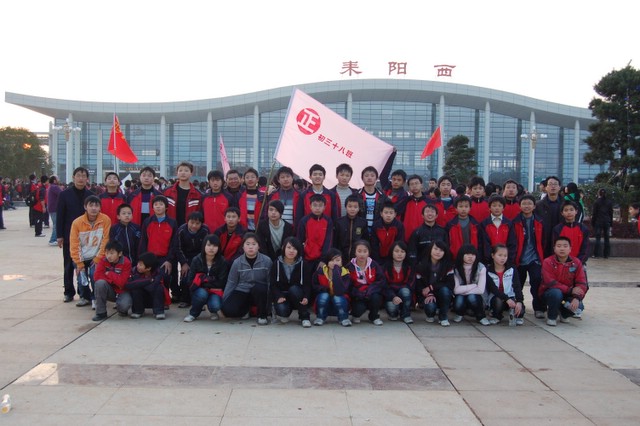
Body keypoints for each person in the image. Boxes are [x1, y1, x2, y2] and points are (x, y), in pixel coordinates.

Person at [57, 167, 94, 303]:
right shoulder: (64, 195)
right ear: (73, 178)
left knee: (83, 265)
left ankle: (83, 293)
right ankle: (68, 292)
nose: (81, 178)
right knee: (68, 265)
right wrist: (59, 235)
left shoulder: (91, 195)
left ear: (87, 179)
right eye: (78, 176)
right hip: (69, 236)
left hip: (87, 236)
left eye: (83, 176)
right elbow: (60, 216)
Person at [69, 195, 111, 308]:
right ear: (85, 207)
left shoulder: (105, 220)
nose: (93, 208)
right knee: (81, 275)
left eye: (96, 206)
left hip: (97, 256)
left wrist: (98, 258)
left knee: (94, 275)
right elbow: (74, 244)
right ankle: (84, 297)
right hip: (82, 256)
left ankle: (96, 298)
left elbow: (105, 240)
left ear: (100, 207)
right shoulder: (77, 223)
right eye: (91, 205)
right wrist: (79, 262)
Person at [222, 233, 273, 325]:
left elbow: (270, 282)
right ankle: (246, 310)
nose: (250, 247)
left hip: (260, 291)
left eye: (254, 244)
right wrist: (225, 300)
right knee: (228, 310)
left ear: (259, 246)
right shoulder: (237, 262)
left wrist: (270, 304)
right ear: (243, 247)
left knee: (260, 288)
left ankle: (262, 315)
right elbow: (231, 282)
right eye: (247, 244)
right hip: (243, 290)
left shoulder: (267, 261)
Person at [539, 236, 588, 326]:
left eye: (565, 246)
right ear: (554, 248)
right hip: (550, 293)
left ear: (570, 249)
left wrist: (577, 298)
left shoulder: (576, 262)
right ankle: (552, 317)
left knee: (579, 307)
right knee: (556, 294)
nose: (562, 249)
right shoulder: (548, 262)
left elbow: (582, 283)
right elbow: (550, 282)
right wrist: (570, 290)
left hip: (567, 295)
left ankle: (564, 313)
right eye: (559, 246)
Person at [139, 195, 177, 305]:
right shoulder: (147, 222)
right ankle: (150, 301)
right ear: (152, 207)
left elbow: (174, 243)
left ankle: (164, 301)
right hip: (150, 257)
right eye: (156, 205)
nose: (158, 207)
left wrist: (169, 260)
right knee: (149, 279)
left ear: (166, 207)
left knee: (165, 277)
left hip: (165, 258)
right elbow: (143, 241)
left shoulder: (172, 222)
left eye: (161, 204)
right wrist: (143, 259)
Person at [512, 194, 545, 319]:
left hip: (535, 259)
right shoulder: (515, 222)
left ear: (534, 206)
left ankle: (539, 308)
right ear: (519, 206)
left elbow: (544, 241)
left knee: (536, 282)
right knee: (518, 284)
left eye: (529, 203)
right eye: (524, 204)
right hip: (519, 259)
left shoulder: (540, 221)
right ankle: (519, 307)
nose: (527, 206)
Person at [183, 234, 229, 322]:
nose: (211, 248)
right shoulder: (196, 260)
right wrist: (209, 282)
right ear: (204, 246)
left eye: (215, 246)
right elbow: (190, 280)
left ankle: (213, 311)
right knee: (202, 294)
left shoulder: (222, 261)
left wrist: (204, 281)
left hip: (214, 291)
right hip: (199, 290)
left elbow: (222, 282)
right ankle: (193, 313)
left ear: (219, 248)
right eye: (209, 245)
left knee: (216, 305)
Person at [271, 237, 312, 327]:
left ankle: (304, 317)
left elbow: (307, 284)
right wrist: (278, 296)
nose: (291, 251)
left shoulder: (303, 264)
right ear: (283, 248)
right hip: (283, 295)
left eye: (294, 248)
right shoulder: (276, 263)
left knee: (294, 289)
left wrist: (306, 296)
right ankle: (284, 313)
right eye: (289, 247)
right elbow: (273, 284)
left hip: (297, 294)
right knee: (282, 310)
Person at [415, 240, 455, 326]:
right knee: (430, 308)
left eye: (441, 250)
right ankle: (431, 313)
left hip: (442, 294)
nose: (438, 252)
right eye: (435, 249)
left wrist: (431, 287)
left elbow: (450, 284)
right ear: (430, 249)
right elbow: (418, 285)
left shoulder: (448, 266)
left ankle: (443, 316)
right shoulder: (421, 265)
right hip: (427, 295)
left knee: (445, 290)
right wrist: (428, 293)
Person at [347, 240, 386, 325]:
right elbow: (347, 285)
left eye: (365, 251)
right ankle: (355, 315)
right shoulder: (349, 266)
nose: (362, 254)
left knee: (376, 297)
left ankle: (374, 316)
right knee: (358, 309)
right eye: (359, 251)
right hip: (358, 295)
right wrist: (357, 292)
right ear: (355, 252)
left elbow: (381, 281)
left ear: (369, 253)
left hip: (371, 292)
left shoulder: (374, 264)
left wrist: (370, 289)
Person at [92, 240, 133, 321]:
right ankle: (101, 313)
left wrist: (109, 274)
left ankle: (121, 309)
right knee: (100, 283)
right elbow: (97, 276)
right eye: (107, 253)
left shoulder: (126, 262)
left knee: (124, 306)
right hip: (109, 289)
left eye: (112, 253)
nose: (108, 256)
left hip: (122, 290)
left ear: (119, 254)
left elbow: (122, 282)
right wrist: (112, 280)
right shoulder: (103, 260)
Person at [176, 211, 210, 307]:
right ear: (187, 221)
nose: (194, 226)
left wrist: (202, 261)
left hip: (201, 258)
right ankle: (185, 300)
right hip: (186, 258)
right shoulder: (181, 230)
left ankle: (200, 301)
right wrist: (183, 263)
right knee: (185, 278)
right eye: (192, 223)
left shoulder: (205, 230)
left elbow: (207, 247)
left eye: (197, 223)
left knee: (200, 279)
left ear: (201, 223)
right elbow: (178, 248)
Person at [485, 244, 525, 325]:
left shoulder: (512, 269)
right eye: (500, 255)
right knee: (498, 301)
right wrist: (507, 299)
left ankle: (516, 315)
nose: (503, 258)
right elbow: (493, 289)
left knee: (520, 309)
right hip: (496, 297)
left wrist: (519, 301)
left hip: (510, 296)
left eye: (505, 256)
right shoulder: (488, 270)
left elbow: (517, 286)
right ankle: (496, 316)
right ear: (493, 255)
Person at [312, 248, 352, 326]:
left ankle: (343, 318)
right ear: (327, 261)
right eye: (332, 260)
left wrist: (336, 272)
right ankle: (320, 317)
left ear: (342, 262)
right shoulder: (320, 271)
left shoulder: (345, 274)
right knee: (324, 296)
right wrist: (324, 289)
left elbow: (340, 291)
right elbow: (314, 286)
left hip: (340, 301)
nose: (334, 263)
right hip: (325, 301)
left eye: (338, 260)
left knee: (337, 297)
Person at [452, 244, 489, 325]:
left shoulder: (481, 267)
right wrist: (473, 286)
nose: (470, 257)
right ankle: (460, 313)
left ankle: (481, 316)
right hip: (462, 294)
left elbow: (480, 290)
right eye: (467, 254)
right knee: (459, 301)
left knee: (471, 297)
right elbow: (456, 290)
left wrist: (463, 291)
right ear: (461, 255)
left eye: (473, 254)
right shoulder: (456, 268)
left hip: (478, 296)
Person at [125, 252, 167, 319]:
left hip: (153, 299)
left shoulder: (158, 272)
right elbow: (128, 285)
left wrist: (140, 283)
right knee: (135, 289)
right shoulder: (134, 271)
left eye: (140, 265)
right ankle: (138, 311)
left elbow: (154, 285)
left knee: (159, 288)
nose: (138, 266)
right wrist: (148, 281)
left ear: (148, 268)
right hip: (140, 299)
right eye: (138, 263)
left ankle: (158, 311)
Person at [382, 241, 415, 324]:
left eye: (402, 251)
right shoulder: (385, 267)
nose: (399, 254)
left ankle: (406, 315)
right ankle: (395, 312)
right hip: (391, 295)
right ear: (391, 252)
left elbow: (411, 284)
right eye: (396, 251)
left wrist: (400, 292)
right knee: (392, 310)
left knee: (405, 291)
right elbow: (384, 286)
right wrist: (393, 296)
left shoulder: (409, 267)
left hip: (404, 293)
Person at [480, 195, 517, 265]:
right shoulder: (484, 223)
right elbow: (484, 243)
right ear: (489, 207)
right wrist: (488, 258)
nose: (497, 208)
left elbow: (512, 243)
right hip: (489, 260)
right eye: (494, 206)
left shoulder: (508, 223)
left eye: (500, 206)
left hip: (505, 259)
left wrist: (509, 259)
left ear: (503, 208)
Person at [163, 161, 202, 228]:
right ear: (177, 173)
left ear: (191, 174)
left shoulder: (198, 194)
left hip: (190, 229)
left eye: (186, 171)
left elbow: (200, 213)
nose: (183, 173)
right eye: (180, 170)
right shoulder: (167, 192)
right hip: (170, 227)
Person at [333, 194, 369, 264]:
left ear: (359, 208)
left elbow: (365, 240)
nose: (352, 209)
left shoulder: (363, 222)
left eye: (355, 207)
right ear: (346, 207)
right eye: (350, 206)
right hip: (341, 257)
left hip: (357, 257)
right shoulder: (339, 222)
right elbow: (335, 242)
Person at [446, 195, 482, 259]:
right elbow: (447, 242)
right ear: (456, 208)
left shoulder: (475, 224)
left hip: (472, 256)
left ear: (470, 208)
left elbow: (480, 243)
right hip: (455, 257)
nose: (463, 209)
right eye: (460, 206)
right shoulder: (450, 225)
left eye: (466, 206)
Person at [536, 176, 563, 257]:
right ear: (546, 188)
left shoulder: (566, 204)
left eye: (555, 184)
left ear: (559, 187)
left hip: (561, 239)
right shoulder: (538, 205)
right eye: (550, 184)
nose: (553, 186)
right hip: (544, 240)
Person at [357, 165, 391, 231]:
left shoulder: (382, 196)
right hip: (361, 229)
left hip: (377, 229)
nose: (369, 178)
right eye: (366, 176)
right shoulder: (357, 195)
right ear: (362, 178)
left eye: (372, 176)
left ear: (376, 178)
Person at [402, 175, 428, 242]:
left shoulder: (429, 201)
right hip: (407, 238)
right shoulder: (405, 201)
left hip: (424, 238)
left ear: (421, 185)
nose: (414, 186)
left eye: (416, 183)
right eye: (412, 184)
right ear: (409, 187)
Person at [591, 188, 614, 258]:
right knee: (607, 238)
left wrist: (593, 223)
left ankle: (596, 254)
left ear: (598, 193)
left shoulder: (596, 202)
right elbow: (611, 213)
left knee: (598, 238)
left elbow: (594, 214)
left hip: (598, 222)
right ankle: (606, 254)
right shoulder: (609, 202)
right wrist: (611, 223)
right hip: (607, 221)